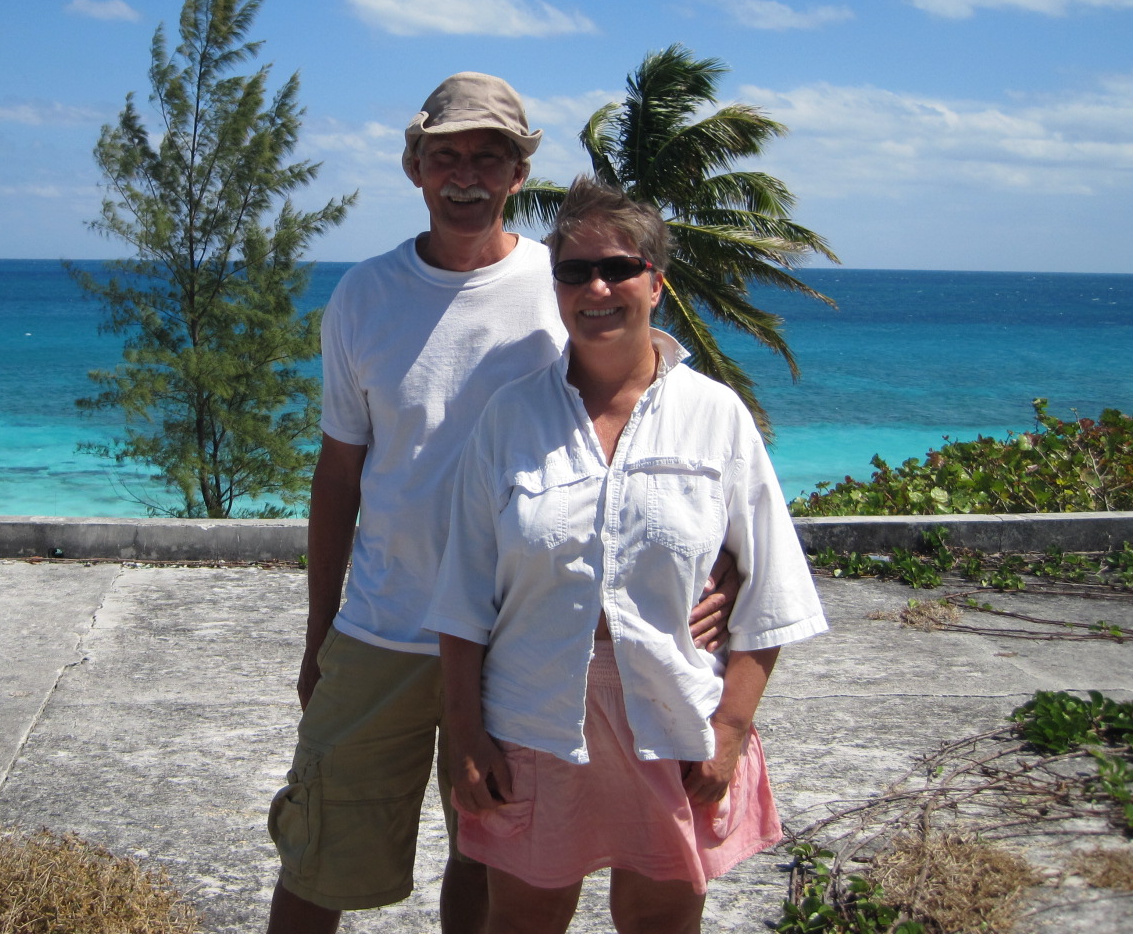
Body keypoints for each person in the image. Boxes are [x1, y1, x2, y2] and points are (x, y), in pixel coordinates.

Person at [265, 77, 741, 934]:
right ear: (414, 167)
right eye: (445, 154)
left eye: (490, 155)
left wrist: (730, 577)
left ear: (520, 172)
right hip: (383, 623)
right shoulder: (363, 297)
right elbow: (339, 474)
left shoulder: (565, 286)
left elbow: (671, 429)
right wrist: (319, 633)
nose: (466, 174)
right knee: (320, 850)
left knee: (489, 861)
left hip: (520, 642)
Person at [425, 175, 828, 934]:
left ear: (657, 282)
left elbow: (773, 588)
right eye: (574, 271)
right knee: (522, 920)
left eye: (619, 268)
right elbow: (463, 596)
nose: (597, 287)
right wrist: (468, 737)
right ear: (556, 286)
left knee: (660, 919)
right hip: (534, 717)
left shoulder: (715, 416)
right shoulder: (511, 417)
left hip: (675, 717)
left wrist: (732, 730)